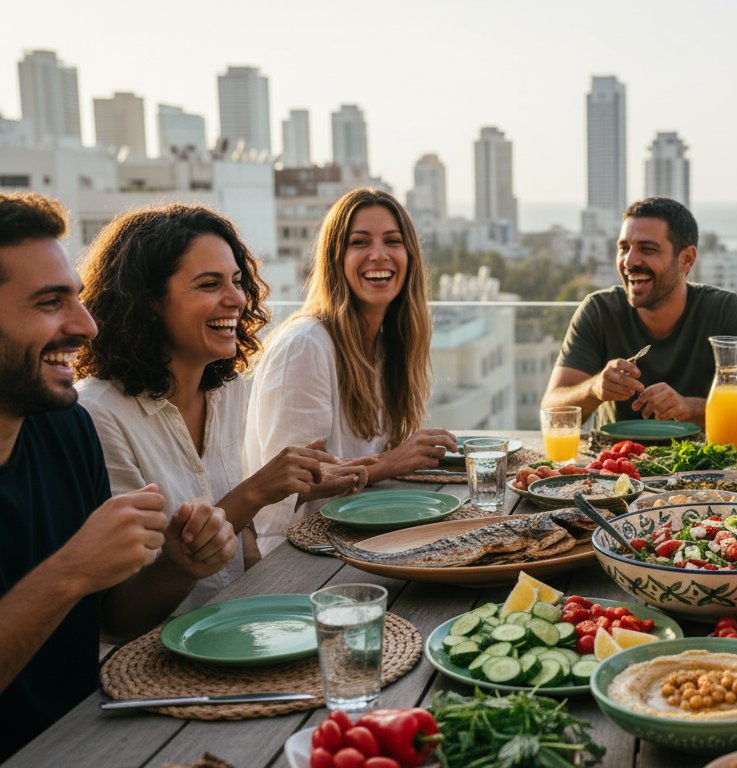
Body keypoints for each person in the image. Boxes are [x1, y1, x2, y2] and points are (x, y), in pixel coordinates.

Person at [0, 192, 236, 760]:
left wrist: (179, 567)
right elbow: (73, 582)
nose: (85, 325)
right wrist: (71, 571)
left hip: (95, 734)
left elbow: (113, 617)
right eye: (49, 302)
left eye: (77, 300)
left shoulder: (67, 430)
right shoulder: (96, 414)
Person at [74, 205, 368, 609]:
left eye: (236, 281)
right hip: (146, 655)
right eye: (210, 284)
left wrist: (279, 607)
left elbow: (243, 541)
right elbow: (118, 610)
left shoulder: (225, 388)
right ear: (148, 301)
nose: (237, 299)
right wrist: (255, 493)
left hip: (233, 621)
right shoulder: (96, 416)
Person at [245, 188, 455, 554]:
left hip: (357, 539)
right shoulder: (305, 346)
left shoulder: (388, 345)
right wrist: (389, 463)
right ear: (335, 259)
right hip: (297, 554)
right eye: (360, 242)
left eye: (393, 241)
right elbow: (289, 488)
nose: (379, 255)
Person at [542, 197, 737, 429]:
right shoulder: (598, 310)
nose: (629, 261)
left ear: (686, 259)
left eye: (647, 249)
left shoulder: (723, 309)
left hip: (703, 460)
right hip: (616, 462)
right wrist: (593, 389)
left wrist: (691, 408)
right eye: (624, 248)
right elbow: (551, 414)